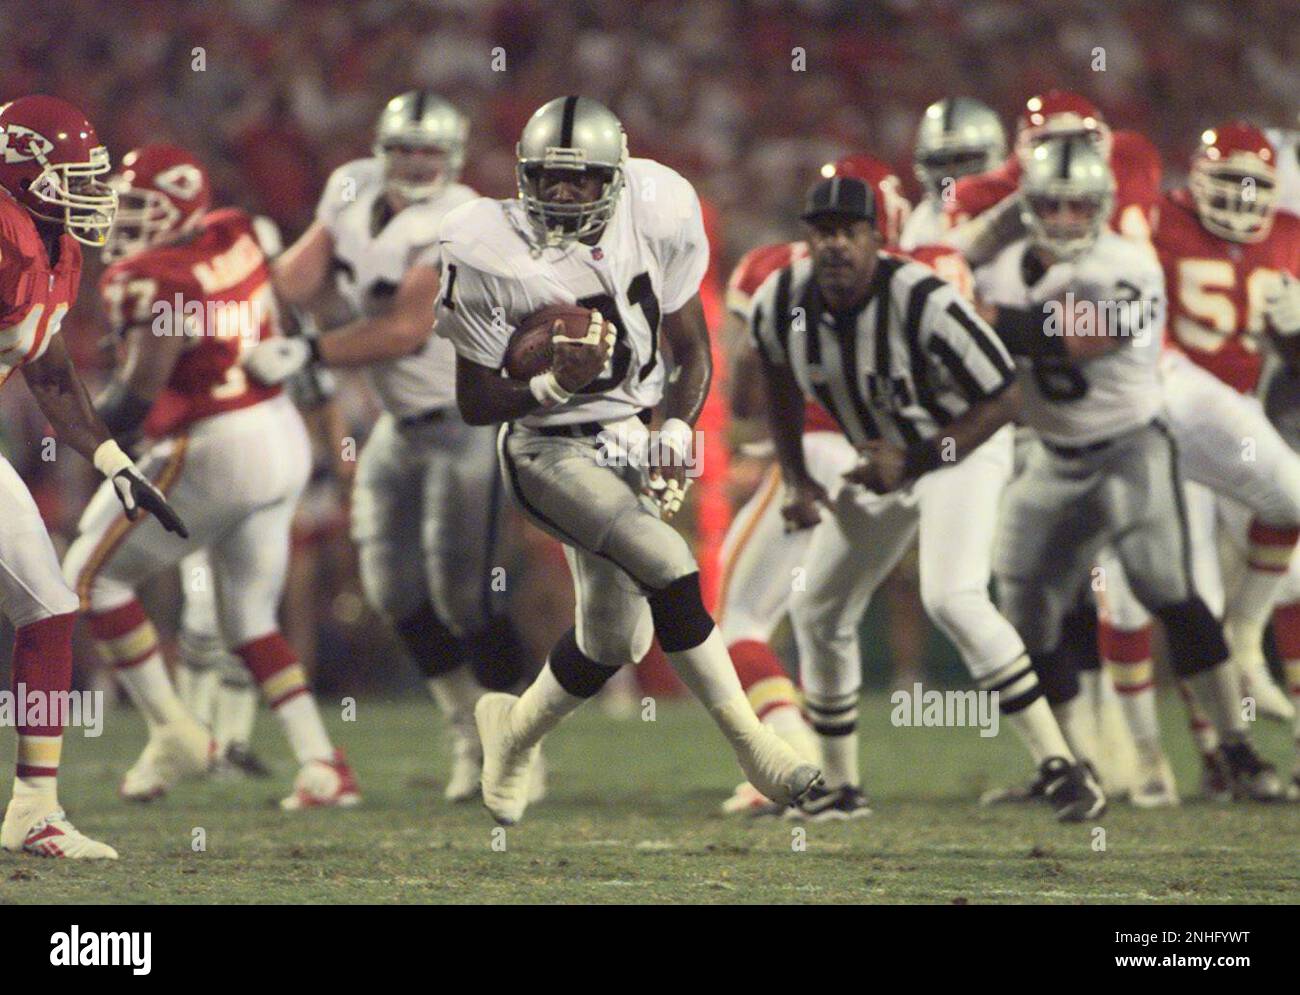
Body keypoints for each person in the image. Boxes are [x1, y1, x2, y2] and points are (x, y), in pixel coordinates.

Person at [435, 95, 822, 826]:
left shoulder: (664, 205)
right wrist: (550, 382)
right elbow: (477, 400)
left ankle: (512, 736)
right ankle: (753, 744)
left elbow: (691, 349)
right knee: (669, 560)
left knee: (613, 639)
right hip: (543, 444)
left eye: (581, 179)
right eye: (549, 177)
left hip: (628, 432)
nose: (562, 193)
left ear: (616, 178)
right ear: (525, 175)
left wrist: (674, 430)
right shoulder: (483, 243)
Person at [245, 91, 537, 804]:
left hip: (467, 421)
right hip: (395, 426)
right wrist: (246, 289)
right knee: (391, 589)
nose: (415, 163)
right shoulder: (350, 187)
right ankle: (466, 732)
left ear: (453, 159)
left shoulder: (462, 217)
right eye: (404, 149)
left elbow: (406, 329)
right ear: (382, 147)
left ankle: (519, 742)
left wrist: (308, 349)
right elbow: (290, 281)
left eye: (429, 152)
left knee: (467, 598)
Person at [981, 135, 1282, 803]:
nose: (1063, 219)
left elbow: (1080, 336)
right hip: (1050, 459)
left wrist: (989, 317)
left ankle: (1236, 748)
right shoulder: (999, 267)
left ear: (1104, 205)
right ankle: (1069, 765)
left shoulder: (1128, 264)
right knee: (1023, 612)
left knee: (1169, 590)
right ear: (1028, 206)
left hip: (1130, 450)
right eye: (1050, 205)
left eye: (1078, 205)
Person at [64, 143, 359, 810]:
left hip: (217, 440)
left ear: (180, 210)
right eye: (125, 206)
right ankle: (321, 763)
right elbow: (277, 304)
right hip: (279, 434)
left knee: (89, 575)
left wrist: (82, 424)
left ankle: (172, 728)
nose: (126, 221)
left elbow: (140, 391)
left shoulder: (145, 277)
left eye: (142, 208)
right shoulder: (239, 229)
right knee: (249, 615)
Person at [0, 96, 186, 858]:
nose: (88, 191)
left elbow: (47, 374)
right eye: (69, 176)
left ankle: (32, 809)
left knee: (48, 602)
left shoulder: (54, 244)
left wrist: (115, 462)